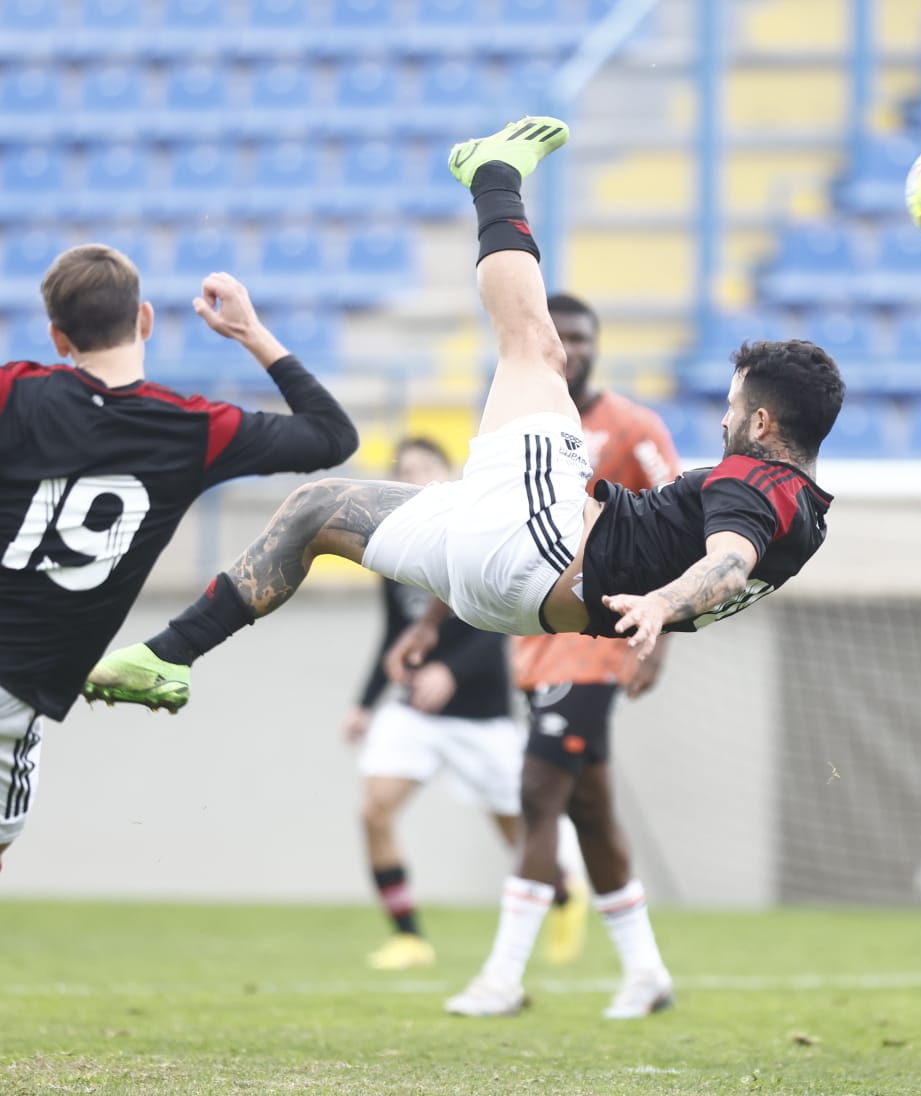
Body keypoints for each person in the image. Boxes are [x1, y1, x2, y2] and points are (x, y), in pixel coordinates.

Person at [84, 118, 842, 745]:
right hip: (504, 592)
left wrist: (663, 604)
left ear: (764, 422)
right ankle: (168, 655)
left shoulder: (759, 483)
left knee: (535, 348)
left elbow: (729, 562)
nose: (724, 418)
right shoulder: (804, 517)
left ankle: (495, 173)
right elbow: (738, 557)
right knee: (316, 510)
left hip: (541, 544)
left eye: (735, 408)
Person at [0, 246, 357, 867]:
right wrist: (251, 332)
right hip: (14, 689)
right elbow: (333, 435)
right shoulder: (193, 428)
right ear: (144, 320)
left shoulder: (13, 391)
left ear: (58, 338)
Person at [445, 292, 686, 1019]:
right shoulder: (522, 427)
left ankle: (503, 977)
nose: (573, 348)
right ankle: (646, 972)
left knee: (537, 792)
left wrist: (661, 637)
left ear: (597, 345)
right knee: (589, 807)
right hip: (536, 645)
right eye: (563, 336)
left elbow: (681, 526)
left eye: (584, 336)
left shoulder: (634, 429)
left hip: (598, 645)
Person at [344, 437, 522, 971]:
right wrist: (364, 704)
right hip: (414, 712)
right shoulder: (394, 551)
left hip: (483, 715)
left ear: (451, 475)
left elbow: (506, 621)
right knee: (373, 811)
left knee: (521, 836)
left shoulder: (483, 535)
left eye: (427, 468)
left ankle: (562, 894)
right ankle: (408, 938)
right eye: (405, 470)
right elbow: (395, 633)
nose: (417, 477)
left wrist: (451, 668)